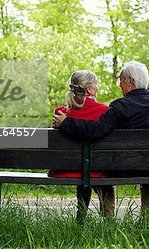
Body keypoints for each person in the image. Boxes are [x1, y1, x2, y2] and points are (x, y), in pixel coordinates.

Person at [53, 61, 149, 213]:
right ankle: (148, 221)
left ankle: (108, 223)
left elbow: (95, 131)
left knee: (109, 174)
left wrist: (66, 123)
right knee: (148, 177)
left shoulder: (119, 107)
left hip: (123, 168)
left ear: (130, 82)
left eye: (121, 80)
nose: (119, 84)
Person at [48, 70, 115, 220]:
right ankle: (108, 222)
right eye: (96, 84)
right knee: (103, 181)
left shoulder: (60, 113)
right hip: (97, 170)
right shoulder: (104, 111)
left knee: (83, 169)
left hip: (65, 170)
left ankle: (81, 219)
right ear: (89, 89)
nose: (97, 88)